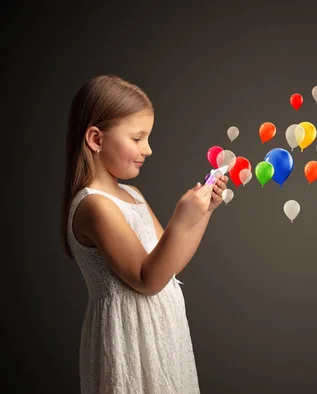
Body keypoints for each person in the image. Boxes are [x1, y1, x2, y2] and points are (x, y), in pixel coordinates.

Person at [60, 75, 228, 393]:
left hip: (163, 333)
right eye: (137, 138)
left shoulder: (133, 194)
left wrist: (203, 213)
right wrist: (180, 219)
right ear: (96, 140)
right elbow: (147, 280)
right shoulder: (95, 206)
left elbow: (168, 266)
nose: (148, 150)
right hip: (129, 340)